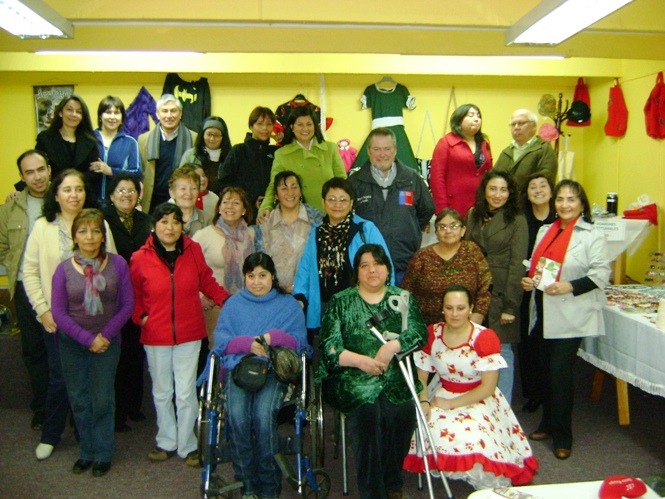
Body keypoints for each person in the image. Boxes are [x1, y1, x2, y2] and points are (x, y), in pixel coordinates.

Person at [317, 244, 428, 499]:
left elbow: (419, 332)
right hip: (351, 379)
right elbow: (330, 347)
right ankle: (373, 492)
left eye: (377, 264)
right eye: (364, 265)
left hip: (395, 378)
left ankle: (391, 479)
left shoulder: (402, 298)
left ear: (388, 270)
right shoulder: (341, 301)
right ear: (357, 272)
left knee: (402, 415)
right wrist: (360, 361)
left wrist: (393, 346)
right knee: (368, 417)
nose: (371, 270)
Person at [403, 285, 538, 489]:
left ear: (471, 307)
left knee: (472, 435)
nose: (455, 314)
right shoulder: (433, 333)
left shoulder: (484, 337)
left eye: (460, 308)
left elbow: (488, 388)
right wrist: (423, 400)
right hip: (441, 391)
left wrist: (450, 404)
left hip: (478, 396)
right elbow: (421, 376)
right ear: (442, 309)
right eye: (449, 308)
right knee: (432, 428)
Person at [23, 169, 116, 461]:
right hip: (58, 318)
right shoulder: (42, 227)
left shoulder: (99, 223)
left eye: (78, 189)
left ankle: (85, 435)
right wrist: (43, 310)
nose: (73, 195)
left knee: (94, 383)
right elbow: (30, 272)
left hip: (96, 319)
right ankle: (51, 434)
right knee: (61, 380)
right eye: (66, 189)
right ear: (56, 194)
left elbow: (112, 268)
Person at [130, 203, 230, 465]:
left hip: (189, 333)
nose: (170, 227)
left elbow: (206, 280)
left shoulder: (193, 250)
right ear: (154, 226)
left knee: (186, 392)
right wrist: (141, 317)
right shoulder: (140, 257)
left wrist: (227, 301)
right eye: (164, 222)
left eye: (175, 222)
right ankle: (166, 441)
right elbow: (134, 294)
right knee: (162, 391)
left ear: (181, 225)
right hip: (155, 335)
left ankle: (187, 444)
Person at [205, 252, 308, 499]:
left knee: (263, 417)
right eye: (251, 276)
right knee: (238, 417)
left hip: (273, 370)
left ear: (273, 276)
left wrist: (273, 338)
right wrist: (247, 344)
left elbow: (300, 343)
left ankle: (269, 485)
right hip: (238, 366)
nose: (257, 282)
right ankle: (246, 484)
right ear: (244, 278)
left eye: (263, 275)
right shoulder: (234, 304)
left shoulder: (289, 305)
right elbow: (220, 342)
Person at [522, 180, 610, 460]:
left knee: (560, 376)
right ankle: (547, 424)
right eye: (560, 199)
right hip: (544, 311)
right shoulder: (546, 230)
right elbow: (537, 267)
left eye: (571, 199)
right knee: (545, 372)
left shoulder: (591, 234)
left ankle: (563, 436)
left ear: (582, 203)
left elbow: (600, 274)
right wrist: (529, 279)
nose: (565, 204)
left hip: (572, 314)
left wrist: (570, 285)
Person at [51, 209, 134, 477]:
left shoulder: (118, 264)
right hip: (72, 344)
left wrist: (103, 337)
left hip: (107, 343)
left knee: (102, 400)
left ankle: (103, 453)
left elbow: (127, 305)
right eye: (83, 231)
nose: (90, 236)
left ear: (103, 235)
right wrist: (88, 339)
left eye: (96, 230)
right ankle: (86, 451)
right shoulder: (63, 270)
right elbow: (59, 313)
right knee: (80, 400)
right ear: (75, 236)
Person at [293, 177, 392, 332]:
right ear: (323, 203)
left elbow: (386, 268)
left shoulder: (365, 229)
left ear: (351, 203)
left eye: (343, 200)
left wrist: (385, 303)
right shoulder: (316, 233)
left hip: (361, 307)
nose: (337, 204)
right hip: (325, 308)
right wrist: (299, 298)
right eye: (331, 199)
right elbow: (305, 270)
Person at [465, 170, 527, 404]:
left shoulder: (517, 219)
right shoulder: (473, 214)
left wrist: (511, 305)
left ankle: (503, 410)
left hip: (502, 290)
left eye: (503, 190)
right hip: (475, 287)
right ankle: (478, 404)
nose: (497, 195)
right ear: (484, 191)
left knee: (503, 351)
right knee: (475, 346)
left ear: (510, 193)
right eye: (492, 189)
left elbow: (517, 263)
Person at [0, 150, 52, 431]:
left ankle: (67, 404)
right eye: (29, 172)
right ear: (21, 177)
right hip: (24, 289)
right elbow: (2, 248)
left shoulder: (64, 199)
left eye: (41, 169)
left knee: (64, 349)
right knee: (34, 351)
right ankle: (42, 407)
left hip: (62, 288)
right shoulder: (9, 209)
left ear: (49, 170)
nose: (37, 176)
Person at [348, 127, 435, 285]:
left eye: (387, 148)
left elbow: (427, 209)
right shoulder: (355, 182)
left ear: (395, 150)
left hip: (405, 265)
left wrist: (410, 229)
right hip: (369, 270)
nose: (382, 154)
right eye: (377, 149)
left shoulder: (412, 179)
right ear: (368, 151)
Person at [101, 172, 152, 432]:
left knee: (135, 353)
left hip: (142, 296)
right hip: (114, 297)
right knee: (117, 355)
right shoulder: (104, 221)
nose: (126, 195)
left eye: (131, 190)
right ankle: (117, 412)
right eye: (121, 190)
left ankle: (134, 406)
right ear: (111, 195)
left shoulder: (147, 220)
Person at [192, 187, 261, 359]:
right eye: (225, 202)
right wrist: (199, 296)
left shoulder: (252, 234)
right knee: (219, 353)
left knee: (243, 353)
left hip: (246, 305)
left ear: (244, 209)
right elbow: (188, 271)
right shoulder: (203, 235)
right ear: (219, 208)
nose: (230, 207)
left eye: (236, 203)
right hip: (215, 306)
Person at [402, 208, 491, 326]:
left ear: (463, 230)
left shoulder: (472, 251)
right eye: (442, 227)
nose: (448, 231)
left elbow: (486, 285)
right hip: (427, 327)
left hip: (467, 325)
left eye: (453, 226)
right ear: (436, 232)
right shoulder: (422, 256)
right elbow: (406, 291)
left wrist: (478, 314)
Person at [257, 106, 346, 219]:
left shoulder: (330, 149)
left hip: (331, 214)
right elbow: (274, 185)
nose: (305, 129)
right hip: (298, 219)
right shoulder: (282, 154)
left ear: (315, 126)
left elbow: (342, 182)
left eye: (309, 124)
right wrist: (266, 207)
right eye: (300, 124)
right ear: (292, 127)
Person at [518, 173, 556, 414]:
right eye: (533, 186)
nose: (539, 190)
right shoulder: (521, 218)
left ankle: (550, 392)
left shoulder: (560, 217)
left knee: (549, 342)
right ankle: (532, 393)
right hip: (526, 287)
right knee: (528, 342)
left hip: (554, 289)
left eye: (543, 186)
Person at [259, 170, 323, 293]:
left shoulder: (316, 219)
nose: (290, 193)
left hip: (308, 293)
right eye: (284, 188)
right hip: (273, 294)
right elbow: (261, 264)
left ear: (300, 192)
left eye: (294, 187)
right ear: (276, 195)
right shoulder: (266, 223)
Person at [429, 104, 493, 218]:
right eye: (471, 115)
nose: (476, 119)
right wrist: (443, 209)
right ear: (459, 120)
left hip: (480, 205)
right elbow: (437, 178)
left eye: (478, 116)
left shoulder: (484, 144)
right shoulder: (446, 143)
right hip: (454, 205)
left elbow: (490, 175)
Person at [138, 94, 197, 212]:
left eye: (173, 111)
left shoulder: (193, 138)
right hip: (151, 202)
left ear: (180, 114)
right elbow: (141, 174)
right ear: (157, 115)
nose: (169, 115)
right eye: (164, 111)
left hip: (182, 200)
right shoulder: (144, 139)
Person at [218, 107, 279, 218]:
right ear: (251, 126)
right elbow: (224, 183)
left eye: (269, 124)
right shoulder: (238, 151)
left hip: (270, 214)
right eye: (260, 124)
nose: (265, 128)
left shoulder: (275, 152)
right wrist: (250, 199)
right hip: (242, 215)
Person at [35, 94, 101, 195]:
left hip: (82, 197)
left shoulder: (90, 141)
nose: (74, 114)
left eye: (78, 112)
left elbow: (94, 173)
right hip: (53, 195)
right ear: (61, 112)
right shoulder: (45, 139)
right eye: (69, 110)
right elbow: (36, 167)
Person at [493, 109, 558, 193]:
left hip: (531, 203)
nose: (516, 127)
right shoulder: (506, 152)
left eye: (521, 123)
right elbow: (493, 178)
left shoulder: (544, 149)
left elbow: (547, 179)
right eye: (513, 124)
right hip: (505, 203)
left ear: (533, 125)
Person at [90, 96, 142, 200]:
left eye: (117, 113)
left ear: (122, 118)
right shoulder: (89, 138)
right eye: (108, 112)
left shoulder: (130, 142)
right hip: (90, 203)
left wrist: (111, 171)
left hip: (118, 203)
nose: (112, 117)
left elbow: (137, 174)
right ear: (100, 116)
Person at [179, 116, 231, 191]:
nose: (212, 139)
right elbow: (180, 180)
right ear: (202, 135)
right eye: (209, 134)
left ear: (223, 137)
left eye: (216, 135)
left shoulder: (231, 156)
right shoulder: (190, 155)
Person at [168, 166, 208, 237]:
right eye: (183, 189)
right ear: (172, 193)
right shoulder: (161, 221)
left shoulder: (208, 220)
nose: (189, 193)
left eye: (193, 188)